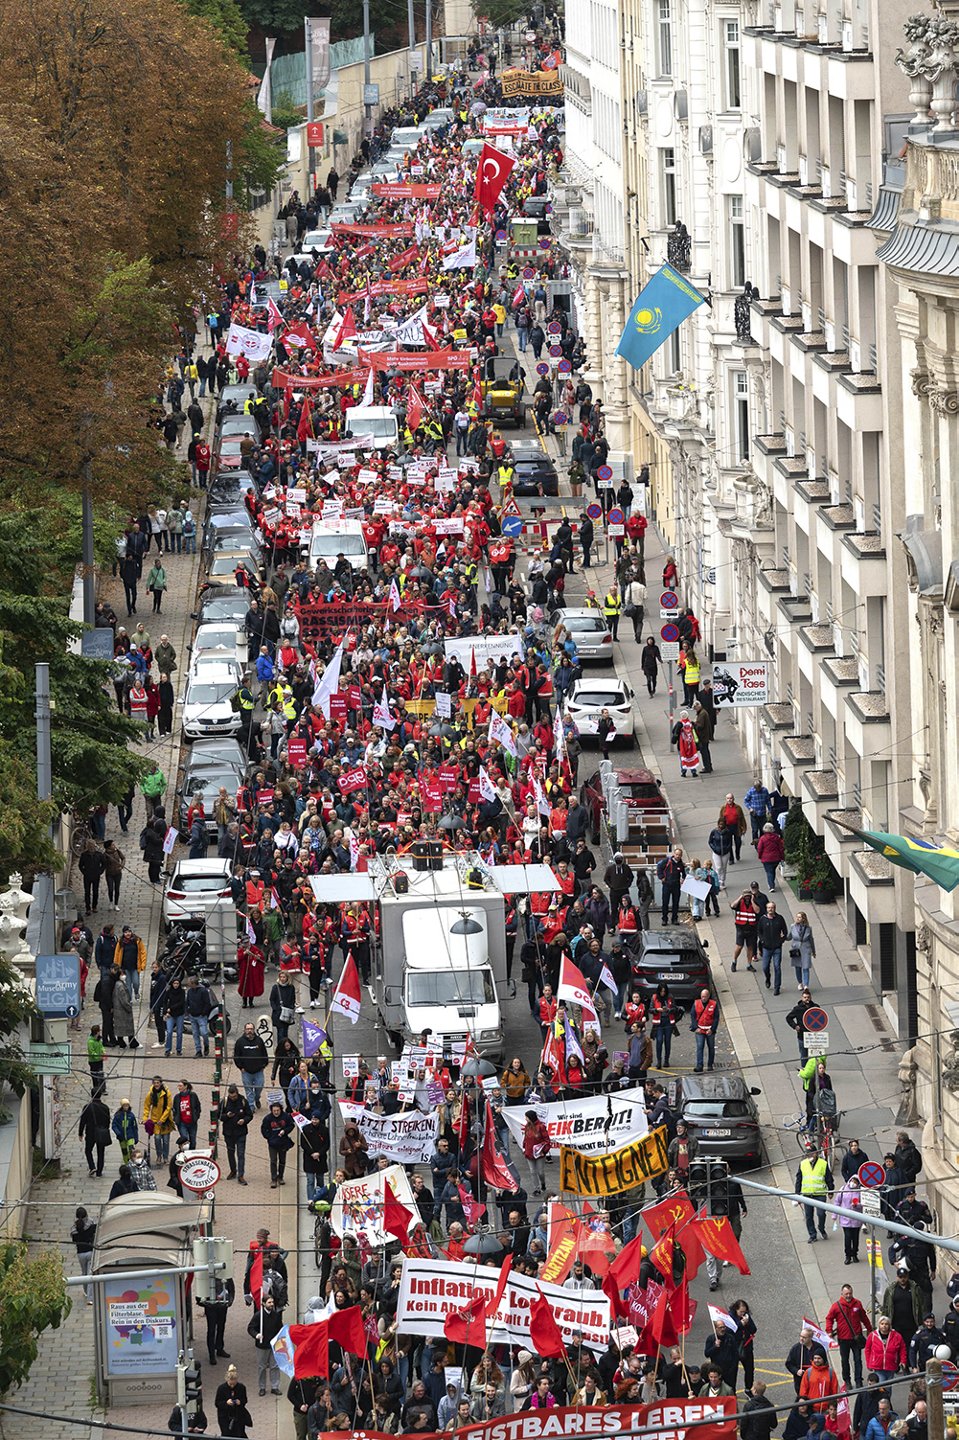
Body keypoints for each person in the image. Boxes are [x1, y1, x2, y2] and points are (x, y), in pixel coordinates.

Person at [825, 1282, 870, 1387]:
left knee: (858, 1360)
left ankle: (858, 1381)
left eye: (850, 1293)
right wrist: (829, 1331)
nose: (848, 1295)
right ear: (842, 1294)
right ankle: (847, 1381)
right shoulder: (836, 1306)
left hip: (856, 1338)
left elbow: (864, 1317)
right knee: (844, 1361)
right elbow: (829, 1318)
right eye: (846, 1294)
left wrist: (869, 1329)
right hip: (843, 1339)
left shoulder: (857, 1304)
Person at [795, 1146, 833, 1242]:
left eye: (811, 1153)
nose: (809, 1155)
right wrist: (797, 1194)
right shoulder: (803, 1164)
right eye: (808, 1154)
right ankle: (812, 1235)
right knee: (808, 1216)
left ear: (816, 1153)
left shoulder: (823, 1164)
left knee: (821, 1214)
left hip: (820, 1194)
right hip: (807, 1194)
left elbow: (829, 1178)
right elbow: (799, 1179)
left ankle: (821, 1228)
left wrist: (831, 1190)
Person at [219, 1085, 252, 1184]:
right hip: (228, 1133)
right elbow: (219, 1116)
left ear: (237, 1093)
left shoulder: (243, 1101)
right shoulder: (224, 1102)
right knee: (230, 1152)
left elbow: (249, 1115)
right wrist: (226, 1116)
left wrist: (244, 1120)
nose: (232, 1098)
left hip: (241, 1132)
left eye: (234, 1096)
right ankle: (233, 1170)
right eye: (231, 1096)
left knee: (241, 1154)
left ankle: (241, 1175)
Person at [233, 1022, 268, 1109]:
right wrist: (240, 1067)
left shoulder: (259, 1040)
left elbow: (264, 1054)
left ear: (254, 1030)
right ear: (244, 1030)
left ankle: (257, 1099)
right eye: (248, 1029)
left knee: (259, 1087)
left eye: (251, 1029)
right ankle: (251, 1106)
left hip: (258, 1071)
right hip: (246, 1072)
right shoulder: (240, 1042)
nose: (249, 1031)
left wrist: (264, 1065)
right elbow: (236, 1056)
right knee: (248, 1090)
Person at [785, 1327, 828, 1396]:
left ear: (810, 1337)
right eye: (801, 1336)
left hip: (816, 1380)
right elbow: (789, 1364)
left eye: (804, 1337)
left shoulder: (819, 1347)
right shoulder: (795, 1348)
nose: (801, 1339)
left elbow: (825, 1363)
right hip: (801, 1382)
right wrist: (796, 1371)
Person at [758, 901, 789, 995]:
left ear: (775, 908)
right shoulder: (763, 919)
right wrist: (762, 940)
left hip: (777, 948)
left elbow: (785, 931)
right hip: (766, 948)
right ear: (766, 909)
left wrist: (781, 940)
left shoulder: (779, 919)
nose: (770, 909)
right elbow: (759, 931)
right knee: (765, 967)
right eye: (769, 908)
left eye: (772, 907)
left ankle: (777, 987)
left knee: (777, 967)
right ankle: (768, 977)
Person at [262, 1101, 295, 1188]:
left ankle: (280, 1177)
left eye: (277, 1110)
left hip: (283, 1142)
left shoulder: (286, 1117)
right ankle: (273, 1179)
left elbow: (291, 1125)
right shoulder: (268, 1119)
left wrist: (285, 1131)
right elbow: (263, 1129)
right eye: (274, 1111)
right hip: (272, 1143)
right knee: (273, 1161)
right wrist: (269, 1137)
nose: (276, 1112)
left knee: (282, 1161)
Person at [142, 1076, 174, 1166]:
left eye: (158, 1083)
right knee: (157, 1139)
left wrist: (162, 1119)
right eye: (154, 1083)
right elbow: (146, 1106)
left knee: (166, 1140)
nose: (156, 1085)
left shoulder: (167, 1093)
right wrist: (145, 1118)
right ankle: (159, 1155)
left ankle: (165, 1157)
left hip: (166, 1121)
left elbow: (168, 1107)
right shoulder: (151, 1094)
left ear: (161, 1083)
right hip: (155, 1120)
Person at [864, 1315, 907, 1381]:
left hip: (891, 1365)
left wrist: (903, 1361)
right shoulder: (872, 1335)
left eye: (886, 1324)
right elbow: (867, 1350)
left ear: (889, 1325)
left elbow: (902, 1349)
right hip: (878, 1366)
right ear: (879, 1325)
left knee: (888, 1388)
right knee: (882, 1384)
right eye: (882, 1324)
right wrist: (868, 1363)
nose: (884, 1326)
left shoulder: (896, 1336)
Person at [215, 1365, 253, 1437]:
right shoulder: (221, 1389)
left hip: (238, 1415)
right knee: (226, 1435)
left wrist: (240, 1402)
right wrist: (226, 1403)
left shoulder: (241, 1387)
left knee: (240, 1434)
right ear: (227, 1380)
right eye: (230, 1383)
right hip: (225, 1417)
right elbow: (217, 1403)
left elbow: (244, 1400)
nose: (232, 1385)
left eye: (234, 1383)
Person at [690, 988, 720, 1072]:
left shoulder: (713, 1004)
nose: (703, 998)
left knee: (711, 1047)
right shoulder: (696, 1003)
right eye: (702, 996)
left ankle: (710, 1065)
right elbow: (693, 1016)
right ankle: (699, 1065)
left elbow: (716, 1018)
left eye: (705, 996)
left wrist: (712, 1029)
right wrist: (696, 1028)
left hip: (709, 1030)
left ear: (708, 996)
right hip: (700, 1030)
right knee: (700, 1047)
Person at [71, 1206, 97, 1304]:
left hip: (80, 1254)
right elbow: (95, 1233)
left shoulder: (74, 1227)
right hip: (90, 1252)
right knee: (90, 1274)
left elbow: (74, 1241)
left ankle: (86, 1292)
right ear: (86, 1214)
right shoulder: (91, 1223)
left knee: (84, 1273)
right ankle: (90, 1298)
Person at [836, 1175, 864, 1264]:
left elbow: (864, 1204)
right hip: (845, 1219)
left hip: (856, 1220)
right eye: (852, 1181)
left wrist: (857, 1205)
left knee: (855, 1238)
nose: (853, 1183)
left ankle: (855, 1254)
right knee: (847, 1238)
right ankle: (848, 1255)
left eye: (855, 1182)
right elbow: (837, 1202)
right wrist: (834, 1215)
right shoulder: (843, 1189)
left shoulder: (860, 1191)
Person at [522, 1110, 551, 1195]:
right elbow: (526, 1139)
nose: (525, 1119)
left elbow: (547, 1140)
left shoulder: (541, 1127)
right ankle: (536, 1189)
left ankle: (542, 1183)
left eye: (526, 1117)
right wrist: (524, 1148)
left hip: (539, 1154)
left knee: (540, 1172)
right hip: (529, 1152)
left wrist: (544, 1151)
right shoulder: (527, 1126)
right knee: (532, 1171)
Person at [657, 847, 686, 925]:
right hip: (667, 884)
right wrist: (661, 877)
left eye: (679, 855)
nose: (678, 856)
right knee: (665, 903)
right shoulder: (667, 861)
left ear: (681, 855)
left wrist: (683, 878)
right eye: (676, 854)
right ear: (674, 854)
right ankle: (664, 919)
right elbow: (659, 867)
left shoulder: (681, 863)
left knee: (675, 903)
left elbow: (684, 873)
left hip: (676, 885)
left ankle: (674, 918)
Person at [789, 915, 816, 990]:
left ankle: (806, 985)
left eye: (799, 917)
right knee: (797, 967)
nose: (797, 918)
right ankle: (800, 982)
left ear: (803, 919)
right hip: (796, 948)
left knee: (805, 967)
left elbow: (811, 939)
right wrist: (782, 937)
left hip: (805, 948)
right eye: (797, 917)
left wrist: (813, 951)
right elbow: (789, 936)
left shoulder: (808, 928)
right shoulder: (792, 926)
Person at [756, 822, 785, 891]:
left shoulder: (762, 838)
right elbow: (780, 848)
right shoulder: (776, 838)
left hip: (766, 858)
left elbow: (759, 848)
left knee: (769, 872)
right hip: (776, 858)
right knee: (772, 870)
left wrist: (759, 856)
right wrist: (782, 857)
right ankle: (772, 883)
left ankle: (771, 886)